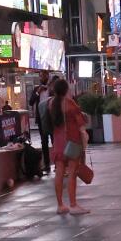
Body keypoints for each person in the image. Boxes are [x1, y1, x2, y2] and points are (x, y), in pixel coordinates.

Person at [47, 77, 89, 215]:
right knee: (72, 173)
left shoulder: (51, 103)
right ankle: (73, 205)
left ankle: (60, 205)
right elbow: (81, 122)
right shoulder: (69, 103)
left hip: (57, 142)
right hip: (71, 141)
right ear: (66, 89)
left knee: (59, 173)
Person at [36, 78, 56, 175]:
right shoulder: (37, 89)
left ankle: (57, 163)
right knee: (44, 142)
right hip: (42, 119)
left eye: (46, 75)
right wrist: (37, 93)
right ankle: (47, 164)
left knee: (54, 141)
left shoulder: (52, 91)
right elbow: (31, 102)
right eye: (42, 75)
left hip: (51, 119)